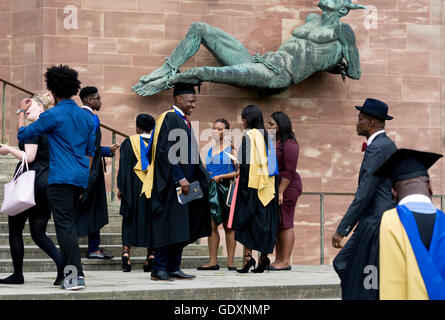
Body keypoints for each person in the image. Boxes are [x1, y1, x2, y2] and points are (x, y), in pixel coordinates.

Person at [132, 0, 366, 96]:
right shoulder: (312, 21)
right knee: (199, 27)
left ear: (344, 9)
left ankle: (167, 83)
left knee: (207, 72)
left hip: (277, 75)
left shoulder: (342, 32)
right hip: (260, 61)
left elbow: (355, 73)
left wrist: (335, 64)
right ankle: (166, 69)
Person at [16, 65, 96, 290]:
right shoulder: (87, 116)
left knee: (65, 228)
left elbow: (24, 135)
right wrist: (85, 179)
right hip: (80, 177)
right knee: (69, 226)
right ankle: (73, 275)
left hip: (60, 178)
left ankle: (73, 277)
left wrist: (22, 112)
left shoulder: (52, 114)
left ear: (52, 91)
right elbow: (90, 150)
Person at [141, 82, 211, 281]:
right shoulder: (169, 118)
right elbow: (165, 151)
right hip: (172, 185)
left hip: (185, 185)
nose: (193, 105)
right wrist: (180, 178)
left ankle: (173, 266)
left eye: (194, 101)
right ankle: (159, 268)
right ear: (179, 99)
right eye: (191, 101)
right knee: (167, 225)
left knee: (181, 226)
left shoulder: (184, 121)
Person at [331, 98, 397, 299]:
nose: (356, 122)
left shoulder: (377, 147)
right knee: (362, 268)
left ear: (371, 123)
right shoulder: (387, 144)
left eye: (360, 119)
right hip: (378, 219)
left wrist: (342, 229)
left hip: (374, 222)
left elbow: (365, 192)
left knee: (345, 263)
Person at [0, 94, 63, 285]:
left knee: (15, 230)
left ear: (42, 110)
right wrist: (21, 112)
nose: (27, 110)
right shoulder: (51, 129)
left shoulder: (35, 129)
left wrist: (8, 149)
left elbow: (29, 156)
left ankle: (18, 274)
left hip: (30, 181)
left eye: (31, 107)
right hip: (46, 181)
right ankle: (64, 269)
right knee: (38, 233)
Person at [374, 149, 445, 300]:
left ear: (394, 192)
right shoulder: (443, 220)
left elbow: (392, 280)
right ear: (429, 186)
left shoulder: (391, 220)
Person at [233, 105, 279, 274]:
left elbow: (245, 165)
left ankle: (248, 258)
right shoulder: (267, 136)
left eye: (244, 118)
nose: (242, 121)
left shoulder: (249, 136)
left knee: (247, 221)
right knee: (264, 223)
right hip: (267, 186)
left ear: (249, 119)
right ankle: (263, 258)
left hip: (252, 186)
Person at [77, 86, 118, 260]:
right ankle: (93, 249)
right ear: (88, 100)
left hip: (79, 166)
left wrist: (107, 150)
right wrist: (88, 175)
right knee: (95, 208)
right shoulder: (92, 118)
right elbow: (89, 149)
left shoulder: (77, 116)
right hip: (90, 169)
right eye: (97, 98)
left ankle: (89, 247)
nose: (100, 101)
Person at [117, 113, 156, 272]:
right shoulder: (157, 143)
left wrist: (122, 188)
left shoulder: (129, 142)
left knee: (129, 218)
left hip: (132, 187)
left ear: (138, 127)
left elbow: (124, 167)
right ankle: (151, 255)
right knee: (151, 220)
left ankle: (126, 252)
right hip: (151, 187)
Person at [197, 119, 237, 271]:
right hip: (211, 190)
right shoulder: (209, 149)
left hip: (226, 190)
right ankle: (213, 261)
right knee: (212, 225)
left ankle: (231, 262)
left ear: (226, 131)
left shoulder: (231, 149)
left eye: (219, 129)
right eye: (213, 128)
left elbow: (239, 171)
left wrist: (223, 177)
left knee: (228, 226)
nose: (215, 131)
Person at [266, 111, 302, 271]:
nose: (268, 126)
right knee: (279, 223)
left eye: (272, 124)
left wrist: (280, 191)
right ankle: (278, 259)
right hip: (276, 186)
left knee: (286, 222)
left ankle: (285, 261)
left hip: (288, 186)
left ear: (281, 125)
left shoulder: (290, 144)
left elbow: (289, 171)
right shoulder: (275, 141)